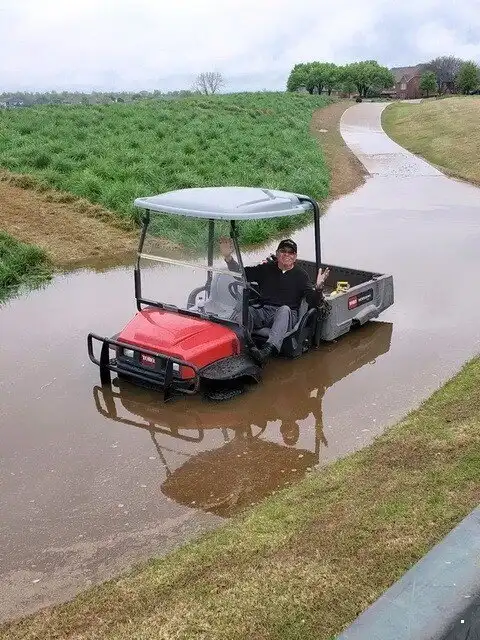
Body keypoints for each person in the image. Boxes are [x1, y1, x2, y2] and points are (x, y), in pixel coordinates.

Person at [219, 237, 330, 364]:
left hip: (287, 314)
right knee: (246, 311)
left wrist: (319, 289)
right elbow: (242, 274)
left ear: (295, 257)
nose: (286, 254)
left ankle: (267, 351)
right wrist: (228, 258)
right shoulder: (266, 269)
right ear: (277, 254)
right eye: (283, 251)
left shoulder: (301, 275)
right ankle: (241, 345)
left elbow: (312, 301)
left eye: (291, 252)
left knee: (284, 310)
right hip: (264, 310)